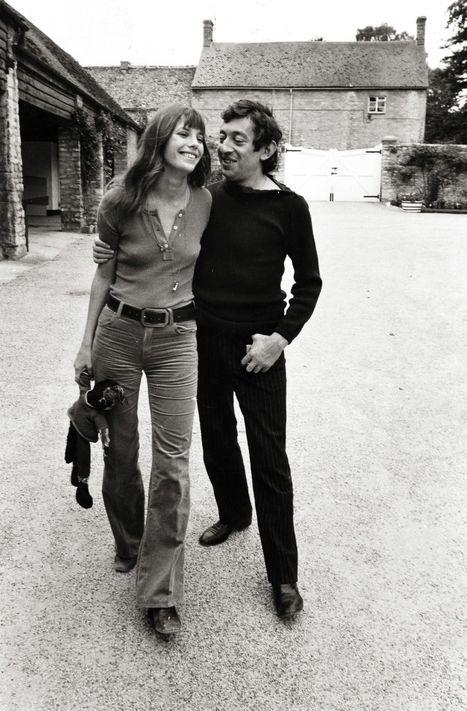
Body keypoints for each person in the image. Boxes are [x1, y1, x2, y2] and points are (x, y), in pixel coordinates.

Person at [94, 99, 322, 621]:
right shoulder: (209, 198)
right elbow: (167, 248)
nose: (224, 147)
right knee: (218, 440)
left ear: (267, 150)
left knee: (269, 456)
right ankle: (234, 514)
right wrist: (114, 256)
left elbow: (309, 283)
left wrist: (280, 339)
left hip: (258, 348)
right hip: (202, 340)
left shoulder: (291, 207)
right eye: (224, 136)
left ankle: (283, 574)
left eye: (239, 139)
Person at [74, 103, 212, 638]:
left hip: (180, 337)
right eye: (185, 132)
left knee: (173, 460)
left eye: (200, 137)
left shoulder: (205, 201)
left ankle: (160, 591)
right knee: (121, 449)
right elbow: (102, 276)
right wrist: (85, 345)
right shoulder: (119, 200)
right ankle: (129, 541)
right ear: (159, 139)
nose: (195, 143)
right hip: (120, 335)